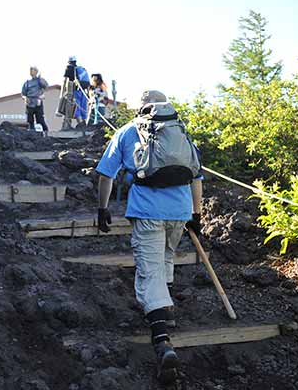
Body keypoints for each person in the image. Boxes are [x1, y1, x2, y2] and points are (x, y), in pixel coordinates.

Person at [95, 90, 203, 384]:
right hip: (179, 211)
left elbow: (106, 173)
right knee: (166, 256)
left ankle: (162, 340)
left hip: (147, 211)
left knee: (149, 270)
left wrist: (103, 208)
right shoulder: (179, 130)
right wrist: (197, 214)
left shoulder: (129, 131)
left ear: (141, 108)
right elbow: (196, 176)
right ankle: (165, 311)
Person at [60, 56, 89, 129]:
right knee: (83, 108)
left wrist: (62, 93)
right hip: (83, 91)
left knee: (76, 108)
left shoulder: (69, 68)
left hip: (75, 91)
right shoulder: (82, 69)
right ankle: (83, 123)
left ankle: (81, 124)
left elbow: (64, 81)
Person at [21, 66, 49, 136]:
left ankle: (46, 132)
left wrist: (41, 80)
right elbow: (23, 93)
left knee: (40, 119)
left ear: (36, 71)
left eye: (32, 70)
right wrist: (25, 98)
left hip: (37, 101)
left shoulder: (39, 80)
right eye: (30, 70)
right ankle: (32, 133)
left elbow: (46, 86)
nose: (31, 71)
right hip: (29, 102)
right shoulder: (27, 82)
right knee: (30, 120)